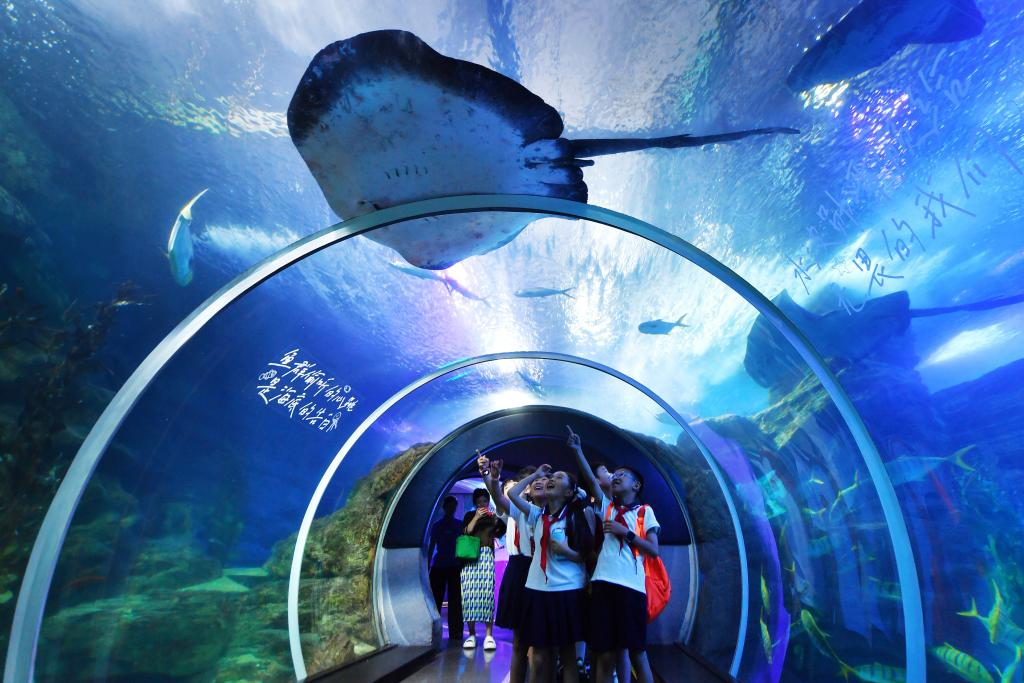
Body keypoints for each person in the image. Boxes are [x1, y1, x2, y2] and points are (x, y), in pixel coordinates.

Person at [568, 425, 660, 683]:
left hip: (631, 588)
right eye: (615, 474)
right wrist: (577, 450)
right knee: (604, 654)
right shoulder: (607, 507)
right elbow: (590, 478)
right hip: (602, 585)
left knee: (637, 653)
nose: (616, 477)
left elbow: (653, 550)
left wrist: (626, 533)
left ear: (636, 485)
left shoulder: (644, 512)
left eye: (623, 475)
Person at [509, 464, 593, 683]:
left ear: (569, 492)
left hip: (567, 590)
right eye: (551, 477)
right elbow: (512, 494)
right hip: (537, 589)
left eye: (559, 476)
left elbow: (585, 555)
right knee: (539, 655)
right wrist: (536, 475)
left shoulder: (574, 517)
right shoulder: (537, 514)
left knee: (568, 655)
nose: (551, 479)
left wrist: (565, 550)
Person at [480, 457, 546, 683]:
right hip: (519, 570)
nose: (538, 483)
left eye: (543, 480)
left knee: (540, 645)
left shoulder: (551, 512)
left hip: (542, 570)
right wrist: (490, 477)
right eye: (534, 481)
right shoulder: (516, 511)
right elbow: (499, 497)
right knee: (520, 643)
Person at [461, 486, 506, 650]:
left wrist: (495, 521)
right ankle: (471, 634)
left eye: (484, 501)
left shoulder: (492, 517)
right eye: (479, 502)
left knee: (487, 595)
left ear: (488, 502)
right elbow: (466, 532)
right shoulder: (469, 515)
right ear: (475, 503)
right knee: (469, 596)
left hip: (486, 556)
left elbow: (501, 531)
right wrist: (476, 517)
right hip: (470, 558)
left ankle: (489, 635)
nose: (482, 504)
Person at [428, 495, 464, 642]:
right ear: (445, 507)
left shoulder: (459, 525)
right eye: (449, 506)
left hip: (453, 566)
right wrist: (427, 565)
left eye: (453, 506)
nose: (451, 508)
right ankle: (435, 633)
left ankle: (455, 633)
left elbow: (463, 546)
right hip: (441, 566)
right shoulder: (438, 526)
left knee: (455, 602)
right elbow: (431, 547)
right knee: (437, 600)